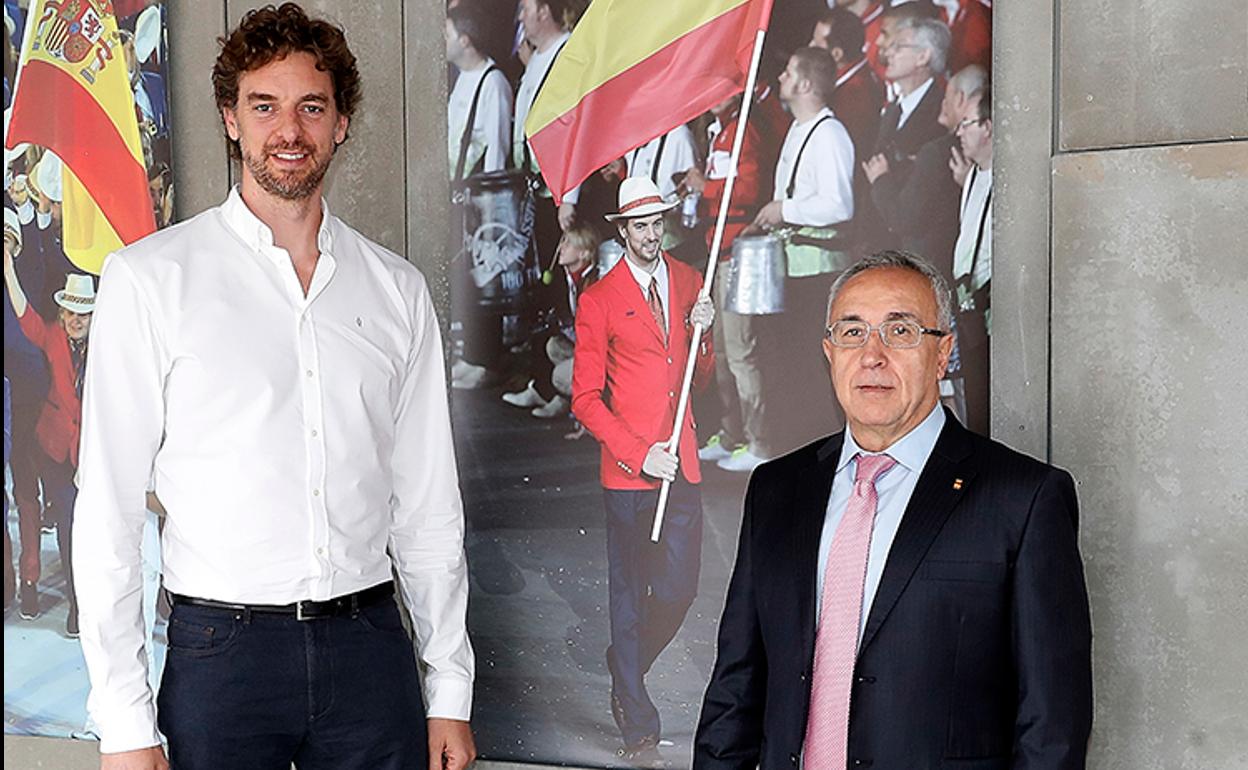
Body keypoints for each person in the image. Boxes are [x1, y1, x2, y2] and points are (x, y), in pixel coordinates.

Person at [72, 5, 475, 769]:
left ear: (341, 124)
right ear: (231, 119)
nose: (288, 130)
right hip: (222, 658)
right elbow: (108, 516)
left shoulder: (396, 291)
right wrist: (125, 722)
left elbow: (427, 507)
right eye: (265, 106)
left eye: (311, 107)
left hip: (370, 651)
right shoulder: (151, 281)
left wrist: (450, 687)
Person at [694, 250, 1092, 768]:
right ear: (828, 351)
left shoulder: (1023, 499)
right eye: (852, 332)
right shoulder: (778, 489)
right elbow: (735, 687)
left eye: (900, 332)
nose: (872, 355)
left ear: (944, 351)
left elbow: (1052, 725)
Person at [571, 176, 715, 759]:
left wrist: (703, 336)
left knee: (678, 590)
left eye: (658, 223)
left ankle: (624, 661)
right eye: (641, 226)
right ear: (623, 231)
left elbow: (697, 381)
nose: (651, 234)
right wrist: (637, 451)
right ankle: (636, 713)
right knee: (629, 594)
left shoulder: (688, 282)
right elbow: (584, 398)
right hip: (630, 473)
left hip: (681, 465)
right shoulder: (599, 298)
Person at [751, 47, 855, 464]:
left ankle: (817, 459)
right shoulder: (799, 129)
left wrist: (784, 210)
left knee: (810, 372)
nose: (781, 78)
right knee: (789, 367)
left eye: (790, 71)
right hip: (794, 271)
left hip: (817, 275)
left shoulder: (829, 135)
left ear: (807, 84)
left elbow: (839, 205)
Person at [682, 93, 777, 472]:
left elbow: (750, 191)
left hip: (737, 252)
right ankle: (732, 433)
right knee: (719, 349)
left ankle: (760, 442)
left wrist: (705, 187)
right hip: (716, 252)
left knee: (740, 352)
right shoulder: (718, 132)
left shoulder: (745, 130)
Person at [3, 245, 91, 637]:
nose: (76, 319)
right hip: (54, 448)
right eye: (70, 312)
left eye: (83, 313)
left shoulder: (108, 343)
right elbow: (24, 316)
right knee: (70, 523)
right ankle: (77, 604)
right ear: (62, 313)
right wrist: (8, 268)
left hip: (92, 450)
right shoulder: (51, 335)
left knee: (94, 529)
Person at [862, 64, 987, 278]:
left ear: (959, 98)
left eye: (946, 96)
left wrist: (880, 179)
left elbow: (903, 218)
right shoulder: (960, 153)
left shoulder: (936, 152)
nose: (943, 103)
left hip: (931, 270)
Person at [501, 222, 599, 419]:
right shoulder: (570, 279)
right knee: (555, 346)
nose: (561, 248)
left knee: (560, 376)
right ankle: (565, 403)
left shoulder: (593, 283)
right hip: (587, 349)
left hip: (603, 359)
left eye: (568, 244)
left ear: (584, 253)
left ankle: (590, 414)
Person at [948, 85, 993, 433]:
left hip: (993, 312)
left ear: (989, 126)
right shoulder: (973, 174)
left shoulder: (1008, 177)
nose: (959, 132)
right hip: (968, 309)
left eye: (967, 124)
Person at [446, 2, 512, 181]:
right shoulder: (459, 77)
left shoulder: (493, 83)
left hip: (477, 194)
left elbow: (496, 149)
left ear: (464, 40)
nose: (442, 39)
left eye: (448, 35)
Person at [809, 8, 885, 163]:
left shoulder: (853, 96)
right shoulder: (859, 78)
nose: (810, 46)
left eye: (816, 44)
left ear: (836, 54)